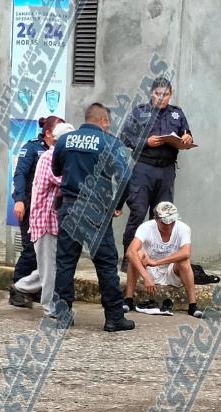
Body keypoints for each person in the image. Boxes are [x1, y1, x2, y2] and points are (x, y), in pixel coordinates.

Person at [52, 103, 135, 332]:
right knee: (107, 265)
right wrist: (117, 206)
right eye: (108, 123)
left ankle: (62, 316)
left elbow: (57, 171)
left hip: (69, 207)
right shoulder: (109, 143)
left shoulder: (64, 140)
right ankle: (114, 318)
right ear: (103, 121)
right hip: (96, 210)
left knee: (65, 264)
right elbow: (126, 178)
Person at [119, 77, 193, 272]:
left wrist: (187, 138)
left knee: (163, 215)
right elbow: (124, 137)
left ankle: (157, 261)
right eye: (158, 94)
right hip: (144, 168)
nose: (162, 98)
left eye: (166, 94)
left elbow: (187, 134)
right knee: (138, 212)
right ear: (152, 93)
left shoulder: (177, 114)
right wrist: (145, 141)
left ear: (171, 94)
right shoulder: (140, 112)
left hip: (167, 170)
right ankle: (129, 258)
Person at [12, 122, 75, 316]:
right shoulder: (50, 157)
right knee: (50, 270)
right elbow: (65, 181)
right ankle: (51, 308)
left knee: (50, 266)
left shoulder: (60, 156)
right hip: (46, 220)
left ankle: (22, 286)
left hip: (55, 220)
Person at [124, 201, 203, 318]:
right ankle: (128, 300)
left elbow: (186, 252)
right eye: (165, 223)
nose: (169, 226)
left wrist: (157, 262)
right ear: (156, 219)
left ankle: (193, 305)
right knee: (136, 255)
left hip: (170, 269)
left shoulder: (183, 228)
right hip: (149, 269)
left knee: (184, 261)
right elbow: (130, 252)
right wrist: (146, 277)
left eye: (172, 222)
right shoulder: (146, 227)